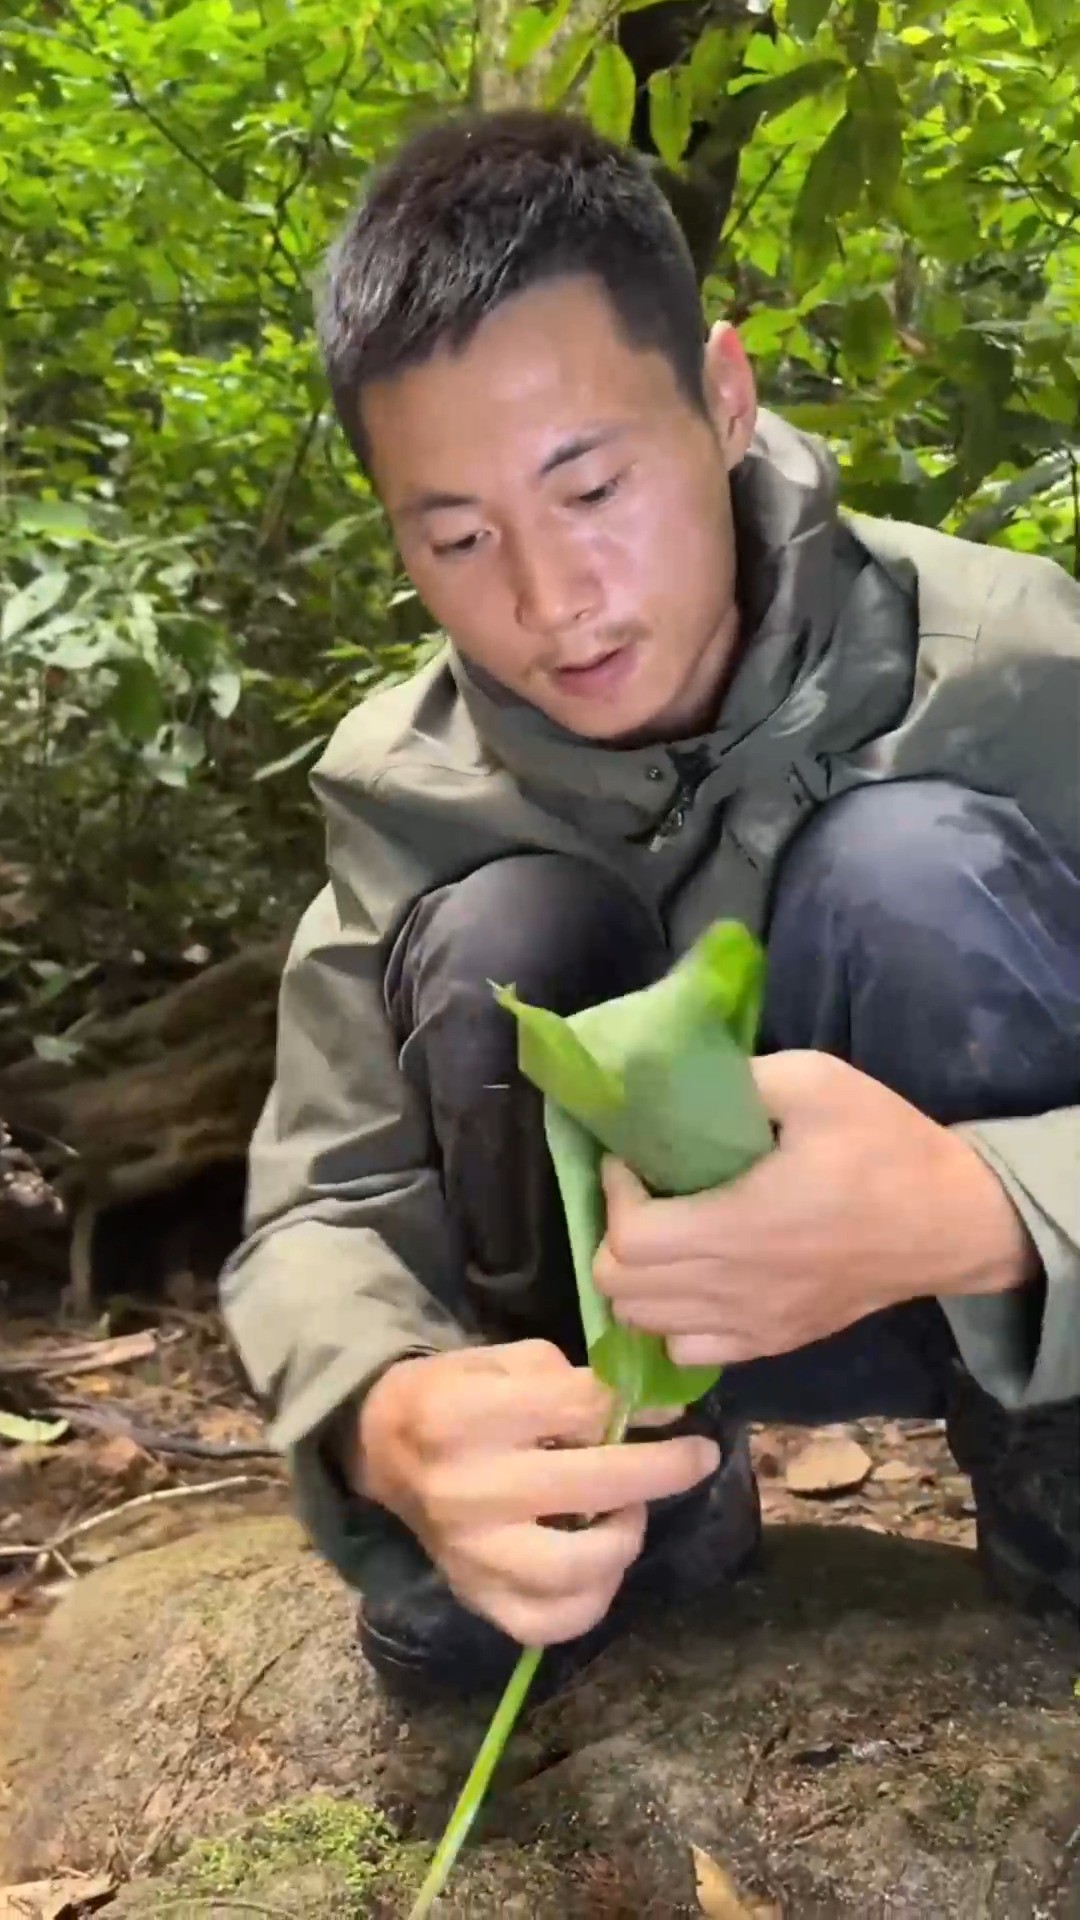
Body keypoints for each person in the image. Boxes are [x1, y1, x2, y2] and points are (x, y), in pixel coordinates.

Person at [221, 109, 1080, 1701]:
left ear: (723, 398)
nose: (552, 603)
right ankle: (631, 1506)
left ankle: (1056, 1475)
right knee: (504, 941)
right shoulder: (409, 786)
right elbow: (323, 1207)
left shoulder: (1019, 668)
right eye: (461, 537)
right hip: (622, 1336)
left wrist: (996, 1208)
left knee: (915, 873)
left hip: (981, 1299)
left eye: (594, 488)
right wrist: (383, 1417)